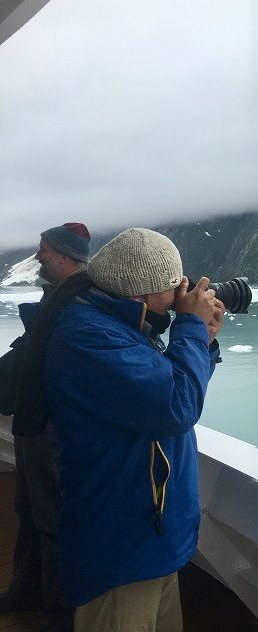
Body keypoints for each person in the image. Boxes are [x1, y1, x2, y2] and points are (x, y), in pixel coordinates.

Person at [35, 228, 225, 631]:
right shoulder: (90, 336)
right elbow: (176, 407)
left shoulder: (120, 324)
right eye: (174, 287)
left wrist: (203, 341)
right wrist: (189, 326)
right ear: (142, 292)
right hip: (123, 545)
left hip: (149, 536)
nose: (181, 295)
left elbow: (169, 386)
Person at [0, 223, 91, 631]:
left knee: (53, 518)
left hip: (56, 426)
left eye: (44, 249)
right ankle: (26, 590)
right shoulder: (57, 295)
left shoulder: (82, 301)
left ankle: (59, 616)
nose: (38, 256)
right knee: (28, 507)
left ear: (66, 256)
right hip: (35, 420)